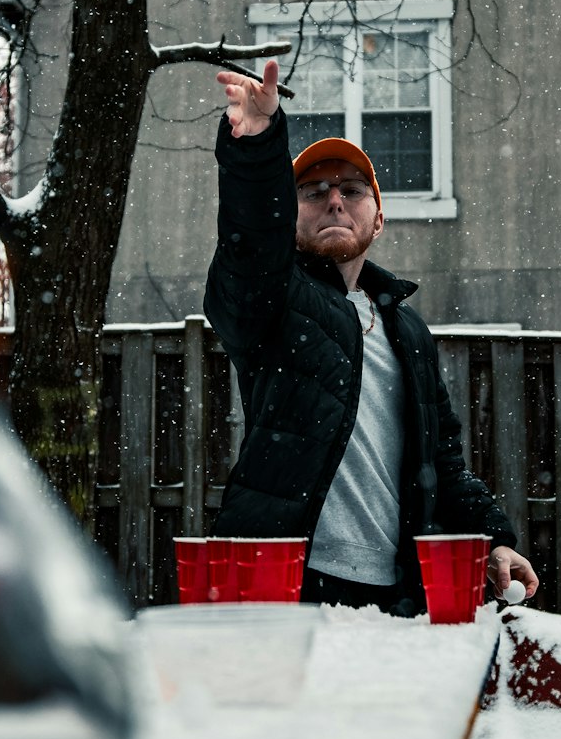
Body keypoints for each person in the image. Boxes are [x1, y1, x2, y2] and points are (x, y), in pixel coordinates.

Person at [204, 59, 539, 613]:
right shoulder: (274, 300)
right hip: (287, 582)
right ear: (290, 219)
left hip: (397, 591)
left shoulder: (408, 330)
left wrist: (495, 536)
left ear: (378, 219)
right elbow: (248, 242)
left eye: (352, 190)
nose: (333, 200)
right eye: (311, 192)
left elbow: (444, 462)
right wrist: (258, 144)